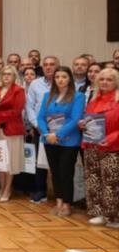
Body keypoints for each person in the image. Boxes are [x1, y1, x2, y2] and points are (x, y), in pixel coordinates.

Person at [37, 66, 85, 217]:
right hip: (49, 140)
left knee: (66, 173)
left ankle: (67, 204)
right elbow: (40, 117)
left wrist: (57, 135)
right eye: (57, 77)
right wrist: (46, 133)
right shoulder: (48, 95)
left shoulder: (78, 96)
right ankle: (58, 202)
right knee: (55, 172)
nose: (60, 80)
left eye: (64, 77)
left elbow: (75, 119)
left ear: (70, 79)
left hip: (69, 141)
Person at [80, 67, 119, 228]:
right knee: (93, 180)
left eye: (109, 79)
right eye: (102, 79)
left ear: (116, 82)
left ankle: (113, 217)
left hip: (113, 147)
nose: (104, 82)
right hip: (92, 146)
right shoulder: (93, 101)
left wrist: (111, 138)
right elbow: (89, 121)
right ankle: (99, 213)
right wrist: (83, 124)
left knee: (111, 183)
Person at [0, 65, 26, 202]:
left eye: (9, 74)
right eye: (4, 74)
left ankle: (7, 189)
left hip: (11, 130)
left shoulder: (19, 90)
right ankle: (1, 187)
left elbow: (16, 110)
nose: (6, 76)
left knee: (9, 161)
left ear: (14, 76)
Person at [25, 56, 59, 203]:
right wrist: (36, 125)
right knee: (40, 162)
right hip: (40, 129)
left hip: (60, 130)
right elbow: (29, 106)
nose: (48, 67)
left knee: (58, 163)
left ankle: (60, 194)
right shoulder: (35, 84)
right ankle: (41, 191)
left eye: (51, 64)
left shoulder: (63, 82)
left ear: (57, 66)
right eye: (45, 65)